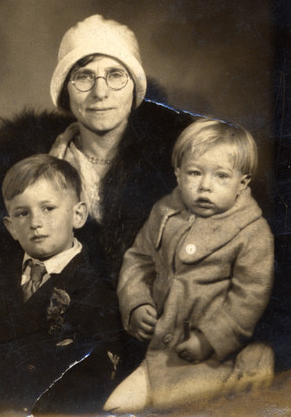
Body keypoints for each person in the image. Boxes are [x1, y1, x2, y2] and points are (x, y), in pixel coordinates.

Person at [0, 14, 193, 378]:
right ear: (64, 90)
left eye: (115, 74)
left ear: (135, 88)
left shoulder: (179, 162)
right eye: (83, 76)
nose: (100, 92)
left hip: (158, 340)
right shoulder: (31, 160)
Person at [104, 118, 274, 412]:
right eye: (195, 173)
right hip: (161, 353)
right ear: (178, 175)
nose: (205, 186)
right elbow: (138, 259)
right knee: (114, 408)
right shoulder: (165, 211)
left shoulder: (253, 232)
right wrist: (136, 303)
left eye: (221, 176)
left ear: (242, 182)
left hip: (214, 359)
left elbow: (249, 296)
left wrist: (211, 338)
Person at [0, 154, 120, 416]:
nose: (35, 222)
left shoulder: (96, 290)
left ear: (78, 214)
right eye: (22, 213)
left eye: (48, 208)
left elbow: (94, 374)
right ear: (11, 227)